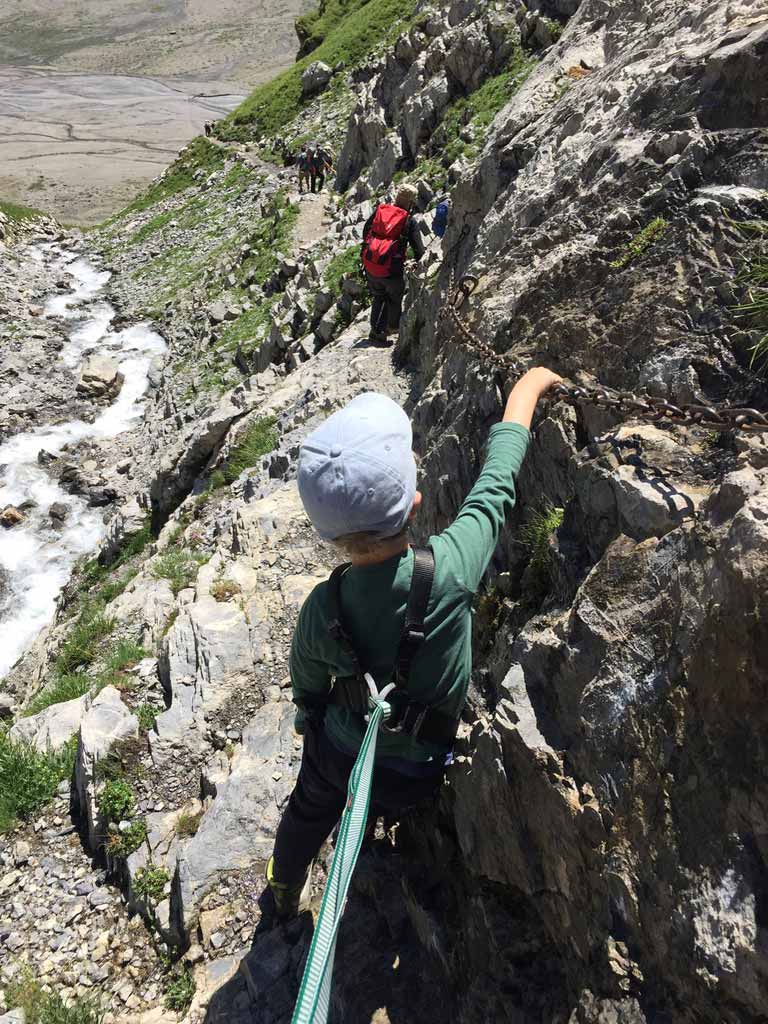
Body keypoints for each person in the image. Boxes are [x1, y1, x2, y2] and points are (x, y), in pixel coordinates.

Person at [266, 368, 562, 917]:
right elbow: (496, 485)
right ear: (416, 502)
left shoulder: (320, 610)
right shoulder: (451, 570)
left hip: (337, 755)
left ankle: (283, 886)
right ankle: (380, 830)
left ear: (328, 537)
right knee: (385, 793)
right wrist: (528, 389)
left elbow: (307, 682)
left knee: (308, 809)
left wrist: (311, 717)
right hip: (415, 771)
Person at [361, 184, 425, 345]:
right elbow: (418, 249)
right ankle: (387, 330)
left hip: (371, 264)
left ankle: (375, 330)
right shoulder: (408, 221)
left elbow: (365, 232)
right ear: (411, 202)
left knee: (378, 296)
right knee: (394, 298)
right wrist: (418, 261)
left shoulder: (381, 211)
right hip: (391, 269)